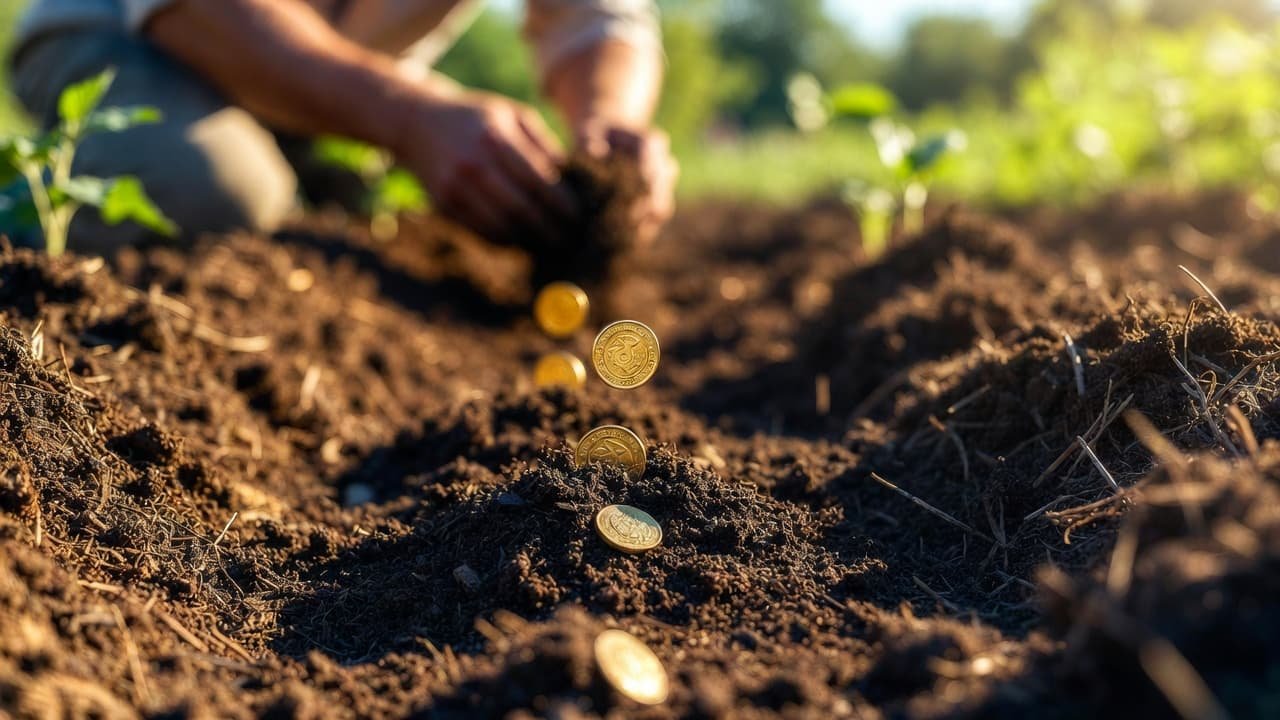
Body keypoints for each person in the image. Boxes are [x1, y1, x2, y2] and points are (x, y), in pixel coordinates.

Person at [6, 0, 678, 253]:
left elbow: (598, 20)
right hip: (128, 38)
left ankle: (313, 176)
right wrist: (407, 118)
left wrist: (608, 127)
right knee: (213, 189)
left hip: (341, 88)